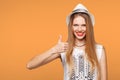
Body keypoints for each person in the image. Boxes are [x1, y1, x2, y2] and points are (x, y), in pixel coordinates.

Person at [27, 4, 107, 80]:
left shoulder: (99, 50)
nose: (79, 29)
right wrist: (54, 50)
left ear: (89, 27)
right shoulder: (64, 48)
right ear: (71, 27)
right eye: (75, 25)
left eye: (84, 25)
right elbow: (30, 65)